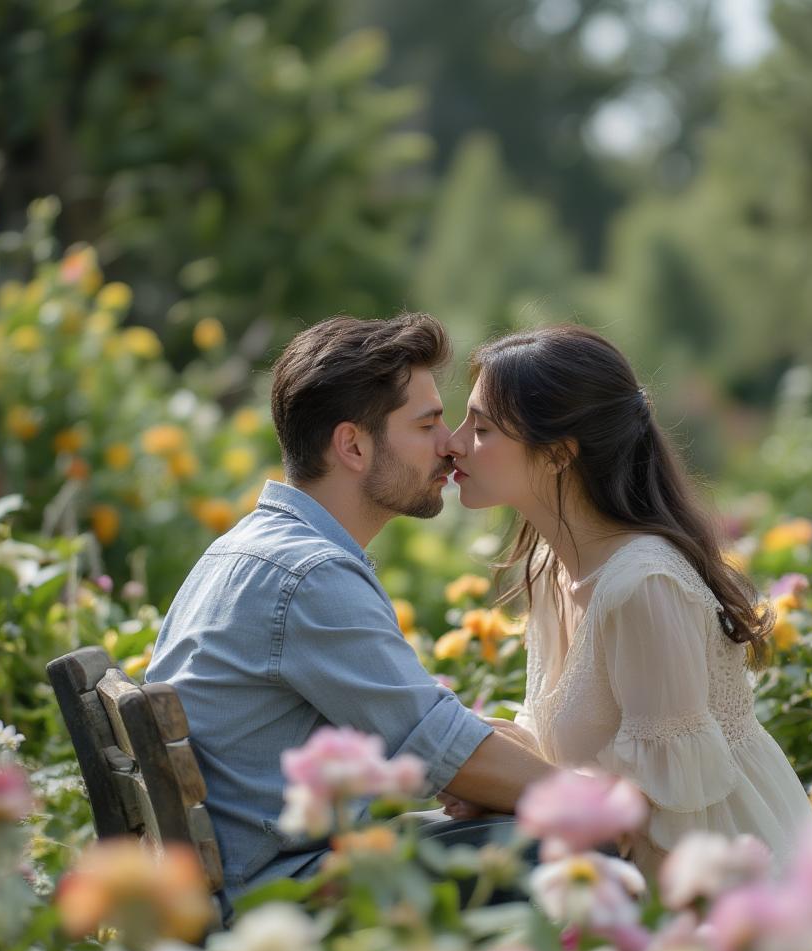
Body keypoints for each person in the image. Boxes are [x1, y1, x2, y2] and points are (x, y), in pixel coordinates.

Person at [146, 313, 554, 906]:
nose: (450, 443)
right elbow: (441, 747)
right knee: (571, 850)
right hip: (275, 900)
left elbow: (433, 739)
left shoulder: (250, 548)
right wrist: (598, 812)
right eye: (427, 422)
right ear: (354, 445)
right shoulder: (308, 576)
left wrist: (486, 763)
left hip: (265, 872)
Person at [443, 324, 812, 876]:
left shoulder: (644, 585)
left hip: (719, 882)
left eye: (482, 429)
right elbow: (568, 755)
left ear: (557, 455)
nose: (453, 443)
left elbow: (663, 811)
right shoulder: (553, 569)